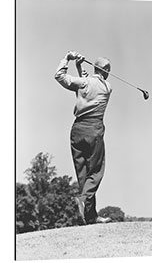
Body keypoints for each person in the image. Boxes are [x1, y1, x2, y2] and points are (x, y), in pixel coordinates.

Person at [55, 51, 112, 224]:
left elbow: (60, 76)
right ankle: (83, 200)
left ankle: (90, 216)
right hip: (93, 129)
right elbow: (92, 86)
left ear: (95, 68)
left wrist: (69, 59)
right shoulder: (108, 87)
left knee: (83, 175)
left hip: (77, 129)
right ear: (107, 71)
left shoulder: (84, 83)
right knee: (95, 171)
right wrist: (80, 68)